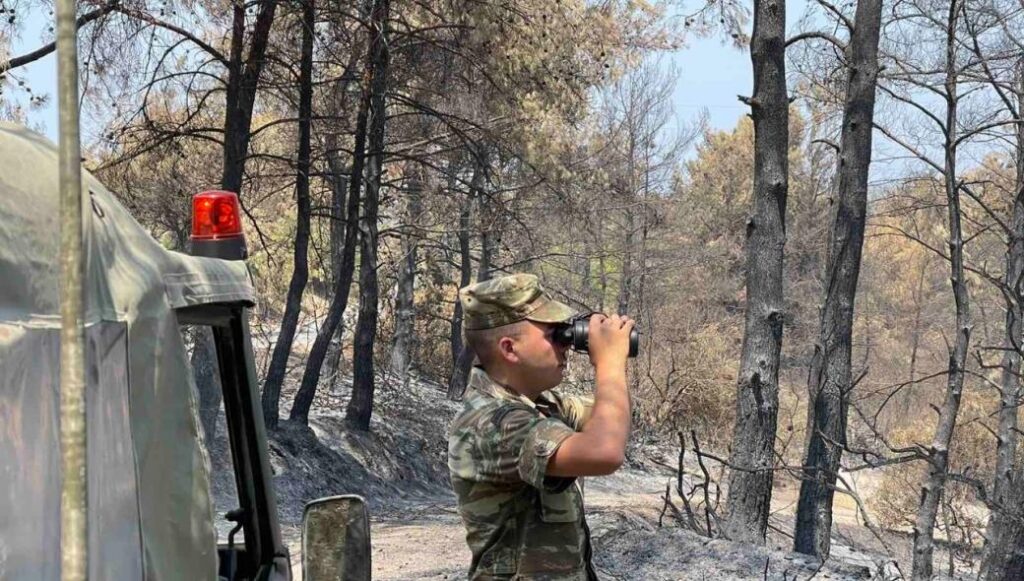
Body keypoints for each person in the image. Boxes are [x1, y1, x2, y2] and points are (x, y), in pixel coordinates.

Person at [448, 273, 635, 580]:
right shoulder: (493, 423)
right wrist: (609, 364)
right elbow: (605, 451)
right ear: (509, 349)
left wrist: (603, 345)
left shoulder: (542, 406)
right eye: (554, 334)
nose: (565, 344)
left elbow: (613, 417)